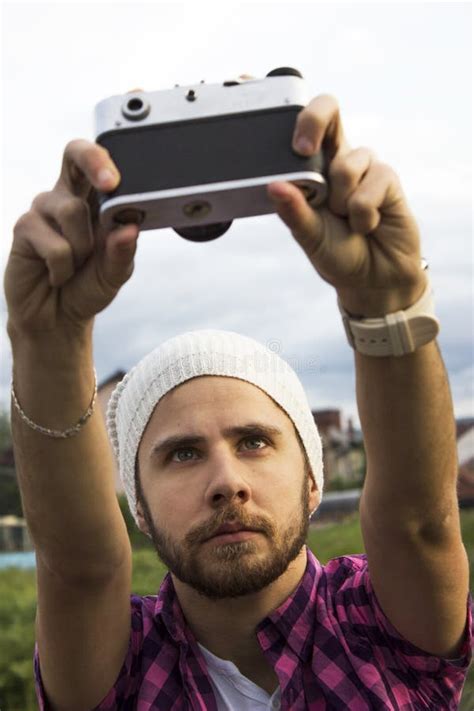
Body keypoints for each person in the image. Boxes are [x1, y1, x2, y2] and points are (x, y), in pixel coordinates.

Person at [4, 85, 472, 710]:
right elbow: (80, 569)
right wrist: (48, 339)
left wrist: (388, 305)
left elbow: (418, 522)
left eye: (254, 442)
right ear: (137, 507)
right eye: (182, 454)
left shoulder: (374, 621)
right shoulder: (123, 663)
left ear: (313, 481)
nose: (227, 482)